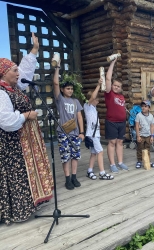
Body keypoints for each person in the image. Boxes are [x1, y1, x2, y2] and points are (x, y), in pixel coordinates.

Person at [0, 33, 53, 225]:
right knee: (17, 174)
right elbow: (5, 120)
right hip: (11, 143)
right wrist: (26, 116)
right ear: (4, 72)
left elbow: (26, 70)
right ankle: (17, 211)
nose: (17, 73)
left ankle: (31, 202)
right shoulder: (1, 93)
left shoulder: (15, 88)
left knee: (26, 172)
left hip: (24, 139)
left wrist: (35, 49)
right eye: (14, 70)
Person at [53, 60, 85, 190]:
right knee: (65, 156)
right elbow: (55, 83)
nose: (70, 90)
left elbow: (79, 117)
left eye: (71, 88)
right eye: (67, 88)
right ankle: (67, 179)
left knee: (75, 155)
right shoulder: (60, 100)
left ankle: (74, 176)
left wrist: (82, 132)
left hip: (75, 132)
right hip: (63, 132)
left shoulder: (76, 101)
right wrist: (57, 68)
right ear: (62, 89)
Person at [84, 79, 114, 180]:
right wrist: (98, 85)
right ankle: (102, 173)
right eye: (96, 99)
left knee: (93, 153)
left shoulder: (94, 109)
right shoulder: (87, 106)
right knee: (100, 151)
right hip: (92, 134)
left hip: (95, 134)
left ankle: (90, 171)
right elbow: (92, 96)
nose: (97, 101)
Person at [105, 58, 128, 173]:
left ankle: (120, 162)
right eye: (115, 85)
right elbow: (108, 78)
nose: (116, 87)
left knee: (120, 142)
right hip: (112, 122)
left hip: (122, 123)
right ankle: (112, 164)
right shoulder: (109, 94)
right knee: (112, 142)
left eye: (118, 86)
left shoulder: (121, 96)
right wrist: (112, 63)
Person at [135, 100, 154, 169]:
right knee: (140, 147)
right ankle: (139, 160)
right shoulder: (138, 115)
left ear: (149, 108)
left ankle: (147, 160)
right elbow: (137, 126)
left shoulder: (151, 116)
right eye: (142, 106)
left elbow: (152, 126)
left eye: (145, 106)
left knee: (147, 148)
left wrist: (152, 136)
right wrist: (138, 136)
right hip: (141, 135)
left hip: (148, 135)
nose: (143, 108)